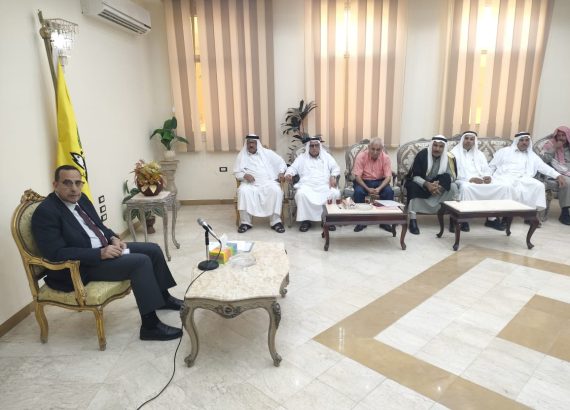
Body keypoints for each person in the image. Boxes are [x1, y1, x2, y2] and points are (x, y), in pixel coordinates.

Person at [32, 165, 183, 341]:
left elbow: (99, 226)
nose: (74, 188)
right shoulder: (46, 212)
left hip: (103, 249)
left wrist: (113, 238)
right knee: (140, 262)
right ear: (55, 185)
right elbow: (55, 253)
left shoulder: (81, 199)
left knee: (153, 249)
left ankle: (163, 298)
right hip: (81, 267)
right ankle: (150, 326)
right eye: (67, 183)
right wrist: (100, 254)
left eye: (78, 183)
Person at [489, 132, 566, 217]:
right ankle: (506, 215)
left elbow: (543, 166)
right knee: (508, 186)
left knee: (538, 185)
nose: (524, 143)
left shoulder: (531, 155)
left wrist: (557, 175)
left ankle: (530, 214)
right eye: (521, 140)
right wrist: (488, 176)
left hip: (523, 177)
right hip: (504, 176)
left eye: (526, 140)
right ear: (516, 141)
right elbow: (492, 166)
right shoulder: (504, 152)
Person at [450, 131, 512, 231]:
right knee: (466, 188)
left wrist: (487, 177)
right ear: (462, 140)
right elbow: (453, 172)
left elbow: (486, 169)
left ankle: (492, 219)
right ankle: (464, 219)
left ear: (474, 141)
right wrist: (470, 179)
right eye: (466, 138)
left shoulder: (479, 154)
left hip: (480, 179)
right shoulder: (454, 153)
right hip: (462, 180)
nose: (469, 141)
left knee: (502, 186)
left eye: (471, 139)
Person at [405, 135, 459, 235]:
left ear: (444, 148)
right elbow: (414, 176)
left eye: (441, 146)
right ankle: (413, 220)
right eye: (435, 145)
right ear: (431, 145)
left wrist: (440, 186)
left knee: (453, 186)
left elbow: (452, 177)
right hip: (422, 184)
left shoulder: (449, 158)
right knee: (411, 186)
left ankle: (453, 219)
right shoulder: (422, 155)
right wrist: (427, 184)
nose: (437, 149)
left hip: (439, 187)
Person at [233, 133, 287, 233]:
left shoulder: (267, 153)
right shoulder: (241, 156)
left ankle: (275, 222)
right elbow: (236, 172)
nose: (251, 145)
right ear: (246, 144)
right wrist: (244, 175)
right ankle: (245, 222)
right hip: (249, 184)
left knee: (276, 190)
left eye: (253, 143)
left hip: (268, 182)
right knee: (243, 191)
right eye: (249, 143)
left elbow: (281, 163)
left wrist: (281, 172)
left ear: (257, 143)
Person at [285, 137, 340, 232]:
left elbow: (335, 167)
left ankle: (327, 219)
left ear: (319, 146)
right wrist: (289, 174)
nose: (314, 148)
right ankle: (306, 221)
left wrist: (333, 176)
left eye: (316, 145)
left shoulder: (326, 157)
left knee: (334, 193)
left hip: (324, 185)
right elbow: (292, 168)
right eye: (312, 146)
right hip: (307, 185)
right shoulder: (302, 158)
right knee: (301, 194)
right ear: (308, 147)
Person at [352, 137, 394, 232]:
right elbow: (357, 176)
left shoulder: (386, 158)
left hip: (380, 181)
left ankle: (385, 222)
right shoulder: (361, 156)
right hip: (364, 181)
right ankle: (361, 222)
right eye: (373, 149)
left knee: (389, 192)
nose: (375, 152)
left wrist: (379, 188)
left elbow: (388, 177)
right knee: (358, 192)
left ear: (381, 149)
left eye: (378, 149)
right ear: (369, 147)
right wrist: (367, 188)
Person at [540, 126, 570, 225]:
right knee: (567, 182)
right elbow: (543, 161)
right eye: (559, 135)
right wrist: (554, 148)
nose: (561, 138)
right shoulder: (550, 144)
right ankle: (565, 213)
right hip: (557, 172)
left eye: (563, 135)